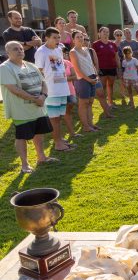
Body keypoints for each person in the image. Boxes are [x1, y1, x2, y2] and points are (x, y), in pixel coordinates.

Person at [0, 41, 57, 173]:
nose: (20, 51)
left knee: (39, 133)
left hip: (38, 107)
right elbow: (14, 89)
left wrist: (43, 96)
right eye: (15, 49)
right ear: (8, 52)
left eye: (21, 48)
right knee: (21, 136)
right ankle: (25, 165)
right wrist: (34, 99)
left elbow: (43, 82)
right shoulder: (5, 68)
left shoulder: (31, 65)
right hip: (21, 110)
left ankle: (41, 157)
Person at [34, 27, 74, 152]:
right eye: (54, 38)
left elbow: (59, 68)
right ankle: (57, 144)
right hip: (51, 90)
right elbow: (38, 72)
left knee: (59, 116)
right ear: (46, 38)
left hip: (62, 88)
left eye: (58, 37)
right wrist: (42, 91)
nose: (57, 40)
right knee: (54, 118)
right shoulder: (41, 51)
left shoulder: (58, 50)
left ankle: (60, 139)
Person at [70, 30, 101, 132]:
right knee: (83, 103)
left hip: (92, 77)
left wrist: (95, 75)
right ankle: (85, 126)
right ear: (73, 40)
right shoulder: (73, 52)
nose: (80, 39)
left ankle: (90, 124)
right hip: (82, 79)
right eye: (77, 37)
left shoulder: (86, 49)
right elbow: (77, 69)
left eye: (81, 37)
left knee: (90, 102)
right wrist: (89, 79)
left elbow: (91, 64)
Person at [83, 34, 113, 119]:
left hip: (94, 75)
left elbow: (96, 64)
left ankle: (107, 113)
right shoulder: (76, 51)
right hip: (84, 77)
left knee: (101, 94)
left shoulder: (91, 51)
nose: (86, 41)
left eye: (87, 39)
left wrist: (96, 75)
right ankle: (89, 117)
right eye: (84, 39)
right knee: (88, 99)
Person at [93, 26, 122, 108]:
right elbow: (94, 58)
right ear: (99, 34)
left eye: (107, 32)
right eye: (104, 32)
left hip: (112, 68)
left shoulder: (112, 44)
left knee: (111, 85)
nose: (106, 33)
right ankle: (104, 103)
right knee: (103, 86)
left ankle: (110, 102)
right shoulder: (96, 44)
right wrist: (96, 69)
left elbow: (117, 57)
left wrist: (119, 68)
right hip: (101, 69)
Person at [121, 46, 138, 111]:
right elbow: (123, 70)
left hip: (134, 78)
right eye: (127, 53)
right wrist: (122, 78)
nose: (128, 54)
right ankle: (132, 106)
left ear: (131, 52)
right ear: (124, 54)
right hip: (126, 78)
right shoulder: (123, 61)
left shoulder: (134, 60)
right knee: (129, 92)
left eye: (129, 52)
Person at [62, 47, 79, 139]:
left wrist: (63, 79)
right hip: (60, 91)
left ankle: (72, 133)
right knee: (59, 114)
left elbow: (75, 76)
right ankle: (60, 136)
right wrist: (68, 78)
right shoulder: (53, 63)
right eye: (62, 52)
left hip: (70, 90)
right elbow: (55, 79)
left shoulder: (68, 63)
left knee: (68, 111)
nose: (64, 54)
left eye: (65, 52)